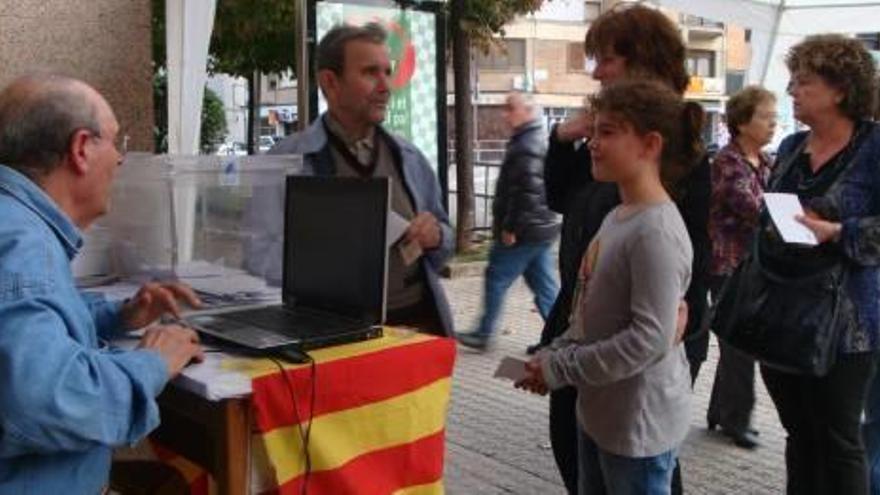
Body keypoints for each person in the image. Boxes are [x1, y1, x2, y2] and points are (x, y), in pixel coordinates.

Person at [532, 5, 712, 493]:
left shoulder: (670, 151)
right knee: (580, 452)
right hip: (585, 322)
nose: (595, 70)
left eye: (604, 58)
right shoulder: (605, 149)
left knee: (638, 459)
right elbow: (561, 197)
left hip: (644, 344)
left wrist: (682, 320)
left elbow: (690, 260)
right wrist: (563, 138)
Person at [0, 74, 205, 493]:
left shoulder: (15, 227)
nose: (120, 159)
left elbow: (30, 311)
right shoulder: (24, 246)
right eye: (115, 142)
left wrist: (118, 315)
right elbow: (44, 401)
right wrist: (153, 363)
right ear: (81, 149)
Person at [252, 23, 454, 336]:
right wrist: (323, 264)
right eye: (371, 72)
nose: (386, 86)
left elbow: (446, 243)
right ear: (330, 83)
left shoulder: (409, 158)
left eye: (388, 72)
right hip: (336, 338)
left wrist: (437, 235)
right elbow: (258, 255)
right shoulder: (287, 163)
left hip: (418, 331)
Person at [759, 34, 880, 494]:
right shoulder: (790, 147)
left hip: (847, 323)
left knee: (839, 438)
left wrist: (839, 233)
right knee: (800, 434)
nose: (791, 91)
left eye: (803, 82)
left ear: (840, 89)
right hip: (783, 310)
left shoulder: (874, 147)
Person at [456, 92, 560, 351]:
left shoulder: (527, 145)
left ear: (527, 111)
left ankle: (483, 334)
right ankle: (558, 338)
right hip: (539, 229)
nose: (505, 114)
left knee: (496, 277)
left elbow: (525, 193)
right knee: (545, 287)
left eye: (510, 108)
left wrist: (510, 228)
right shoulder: (532, 139)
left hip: (524, 230)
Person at [706, 86, 777, 450]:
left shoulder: (765, 161)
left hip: (755, 265)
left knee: (736, 340)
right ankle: (737, 418)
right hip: (728, 264)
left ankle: (720, 411)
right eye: (766, 117)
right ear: (743, 122)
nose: (773, 123)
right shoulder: (728, 162)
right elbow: (754, 208)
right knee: (740, 344)